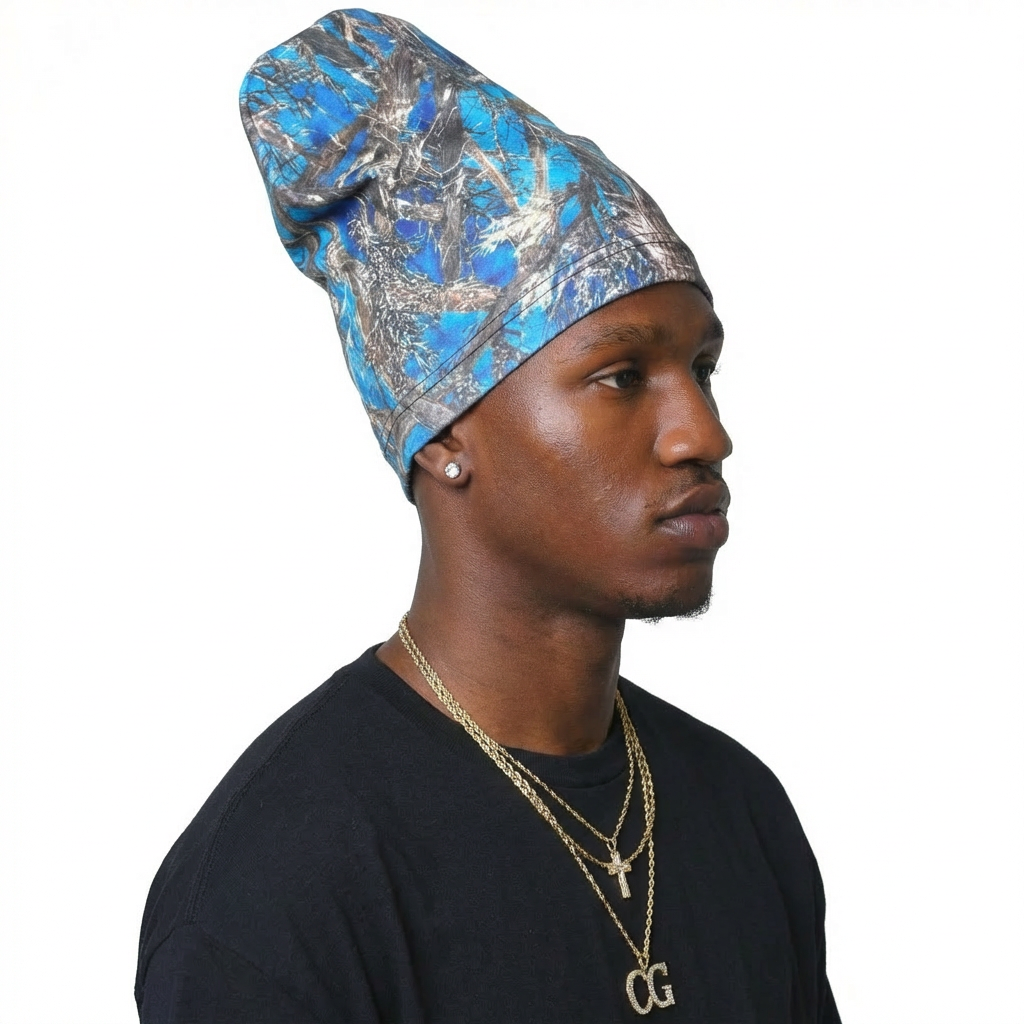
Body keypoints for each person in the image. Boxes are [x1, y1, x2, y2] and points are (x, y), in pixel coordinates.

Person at [135, 9, 841, 1022]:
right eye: (621, 376)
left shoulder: (738, 810)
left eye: (702, 369)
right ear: (443, 434)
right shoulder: (281, 887)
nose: (703, 433)